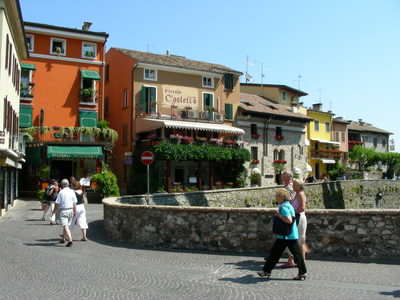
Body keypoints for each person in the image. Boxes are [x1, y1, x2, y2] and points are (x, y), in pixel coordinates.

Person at [258, 189, 307, 280]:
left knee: (275, 254)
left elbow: (289, 220)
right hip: (290, 235)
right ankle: (302, 273)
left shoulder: (283, 207)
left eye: (277, 196)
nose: (276, 197)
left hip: (285, 236)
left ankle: (266, 271)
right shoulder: (288, 205)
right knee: (295, 255)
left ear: (282, 197)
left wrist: (278, 215)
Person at [286, 179, 309, 265]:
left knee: (299, 240)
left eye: (295, 184)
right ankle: (296, 260)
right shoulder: (297, 194)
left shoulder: (300, 194)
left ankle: (300, 261)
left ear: (299, 186)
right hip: (298, 217)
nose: (293, 186)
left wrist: (292, 213)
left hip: (299, 218)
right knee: (298, 240)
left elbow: (302, 208)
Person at [54, 179, 77, 247]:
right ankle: (63, 239)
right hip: (71, 210)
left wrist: (54, 211)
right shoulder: (72, 191)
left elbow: (57, 203)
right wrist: (75, 211)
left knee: (65, 226)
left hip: (64, 211)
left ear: (62, 185)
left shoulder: (61, 192)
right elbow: (74, 202)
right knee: (66, 225)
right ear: (68, 184)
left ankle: (70, 240)